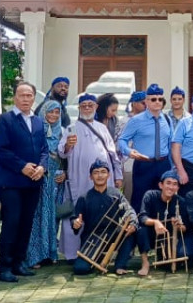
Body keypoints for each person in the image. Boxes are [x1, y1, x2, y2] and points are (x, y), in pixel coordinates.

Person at [0, 82, 49, 283]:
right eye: (22, 95)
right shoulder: (5, 119)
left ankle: (19, 262)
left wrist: (42, 167)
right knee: (11, 223)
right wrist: (22, 166)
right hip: (12, 182)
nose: (26, 99)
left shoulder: (38, 121)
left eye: (29, 95)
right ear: (15, 97)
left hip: (33, 182)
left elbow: (44, 148)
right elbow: (1, 149)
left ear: (34, 98)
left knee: (26, 224)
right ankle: (4, 267)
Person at [60, 93, 124, 261]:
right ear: (79, 108)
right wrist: (68, 144)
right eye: (84, 105)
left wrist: (118, 175)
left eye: (90, 105)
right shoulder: (70, 128)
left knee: (104, 211)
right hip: (80, 178)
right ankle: (74, 254)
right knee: (77, 213)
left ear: (96, 107)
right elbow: (62, 152)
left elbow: (112, 154)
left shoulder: (102, 128)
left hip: (104, 178)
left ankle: (103, 252)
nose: (87, 108)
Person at [70, 159, 137, 276]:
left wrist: (132, 223)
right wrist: (75, 223)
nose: (100, 175)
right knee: (81, 269)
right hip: (92, 238)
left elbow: (129, 211)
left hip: (113, 235)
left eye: (103, 172)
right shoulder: (84, 198)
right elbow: (75, 218)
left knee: (131, 232)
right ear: (90, 177)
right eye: (95, 172)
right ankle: (97, 257)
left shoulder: (116, 194)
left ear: (108, 175)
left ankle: (120, 265)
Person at [119, 84, 174, 211]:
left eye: (160, 99)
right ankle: (139, 230)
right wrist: (129, 151)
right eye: (153, 99)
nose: (157, 102)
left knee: (163, 201)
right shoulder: (136, 120)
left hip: (163, 164)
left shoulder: (167, 119)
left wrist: (173, 167)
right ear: (146, 101)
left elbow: (171, 144)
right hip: (144, 164)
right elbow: (122, 140)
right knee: (140, 201)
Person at [24, 101, 64, 269]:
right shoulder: (36, 130)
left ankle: (50, 253)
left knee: (52, 216)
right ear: (43, 113)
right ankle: (34, 255)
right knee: (37, 216)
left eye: (57, 112)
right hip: (39, 178)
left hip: (56, 180)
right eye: (50, 112)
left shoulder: (62, 132)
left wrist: (65, 172)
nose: (53, 115)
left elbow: (67, 156)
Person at [136, 171, 188, 276]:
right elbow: (142, 217)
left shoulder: (181, 202)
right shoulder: (150, 195)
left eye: (174, 184)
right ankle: (145, 263)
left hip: (168, 237)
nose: (171, 187)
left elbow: (185, 228)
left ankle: (163, 257)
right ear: (161, 185)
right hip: (152, 234)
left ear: (178, 188)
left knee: (169, 266)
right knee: (141, 229)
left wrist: (178, 226)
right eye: (168, 183)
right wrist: (155, 222)